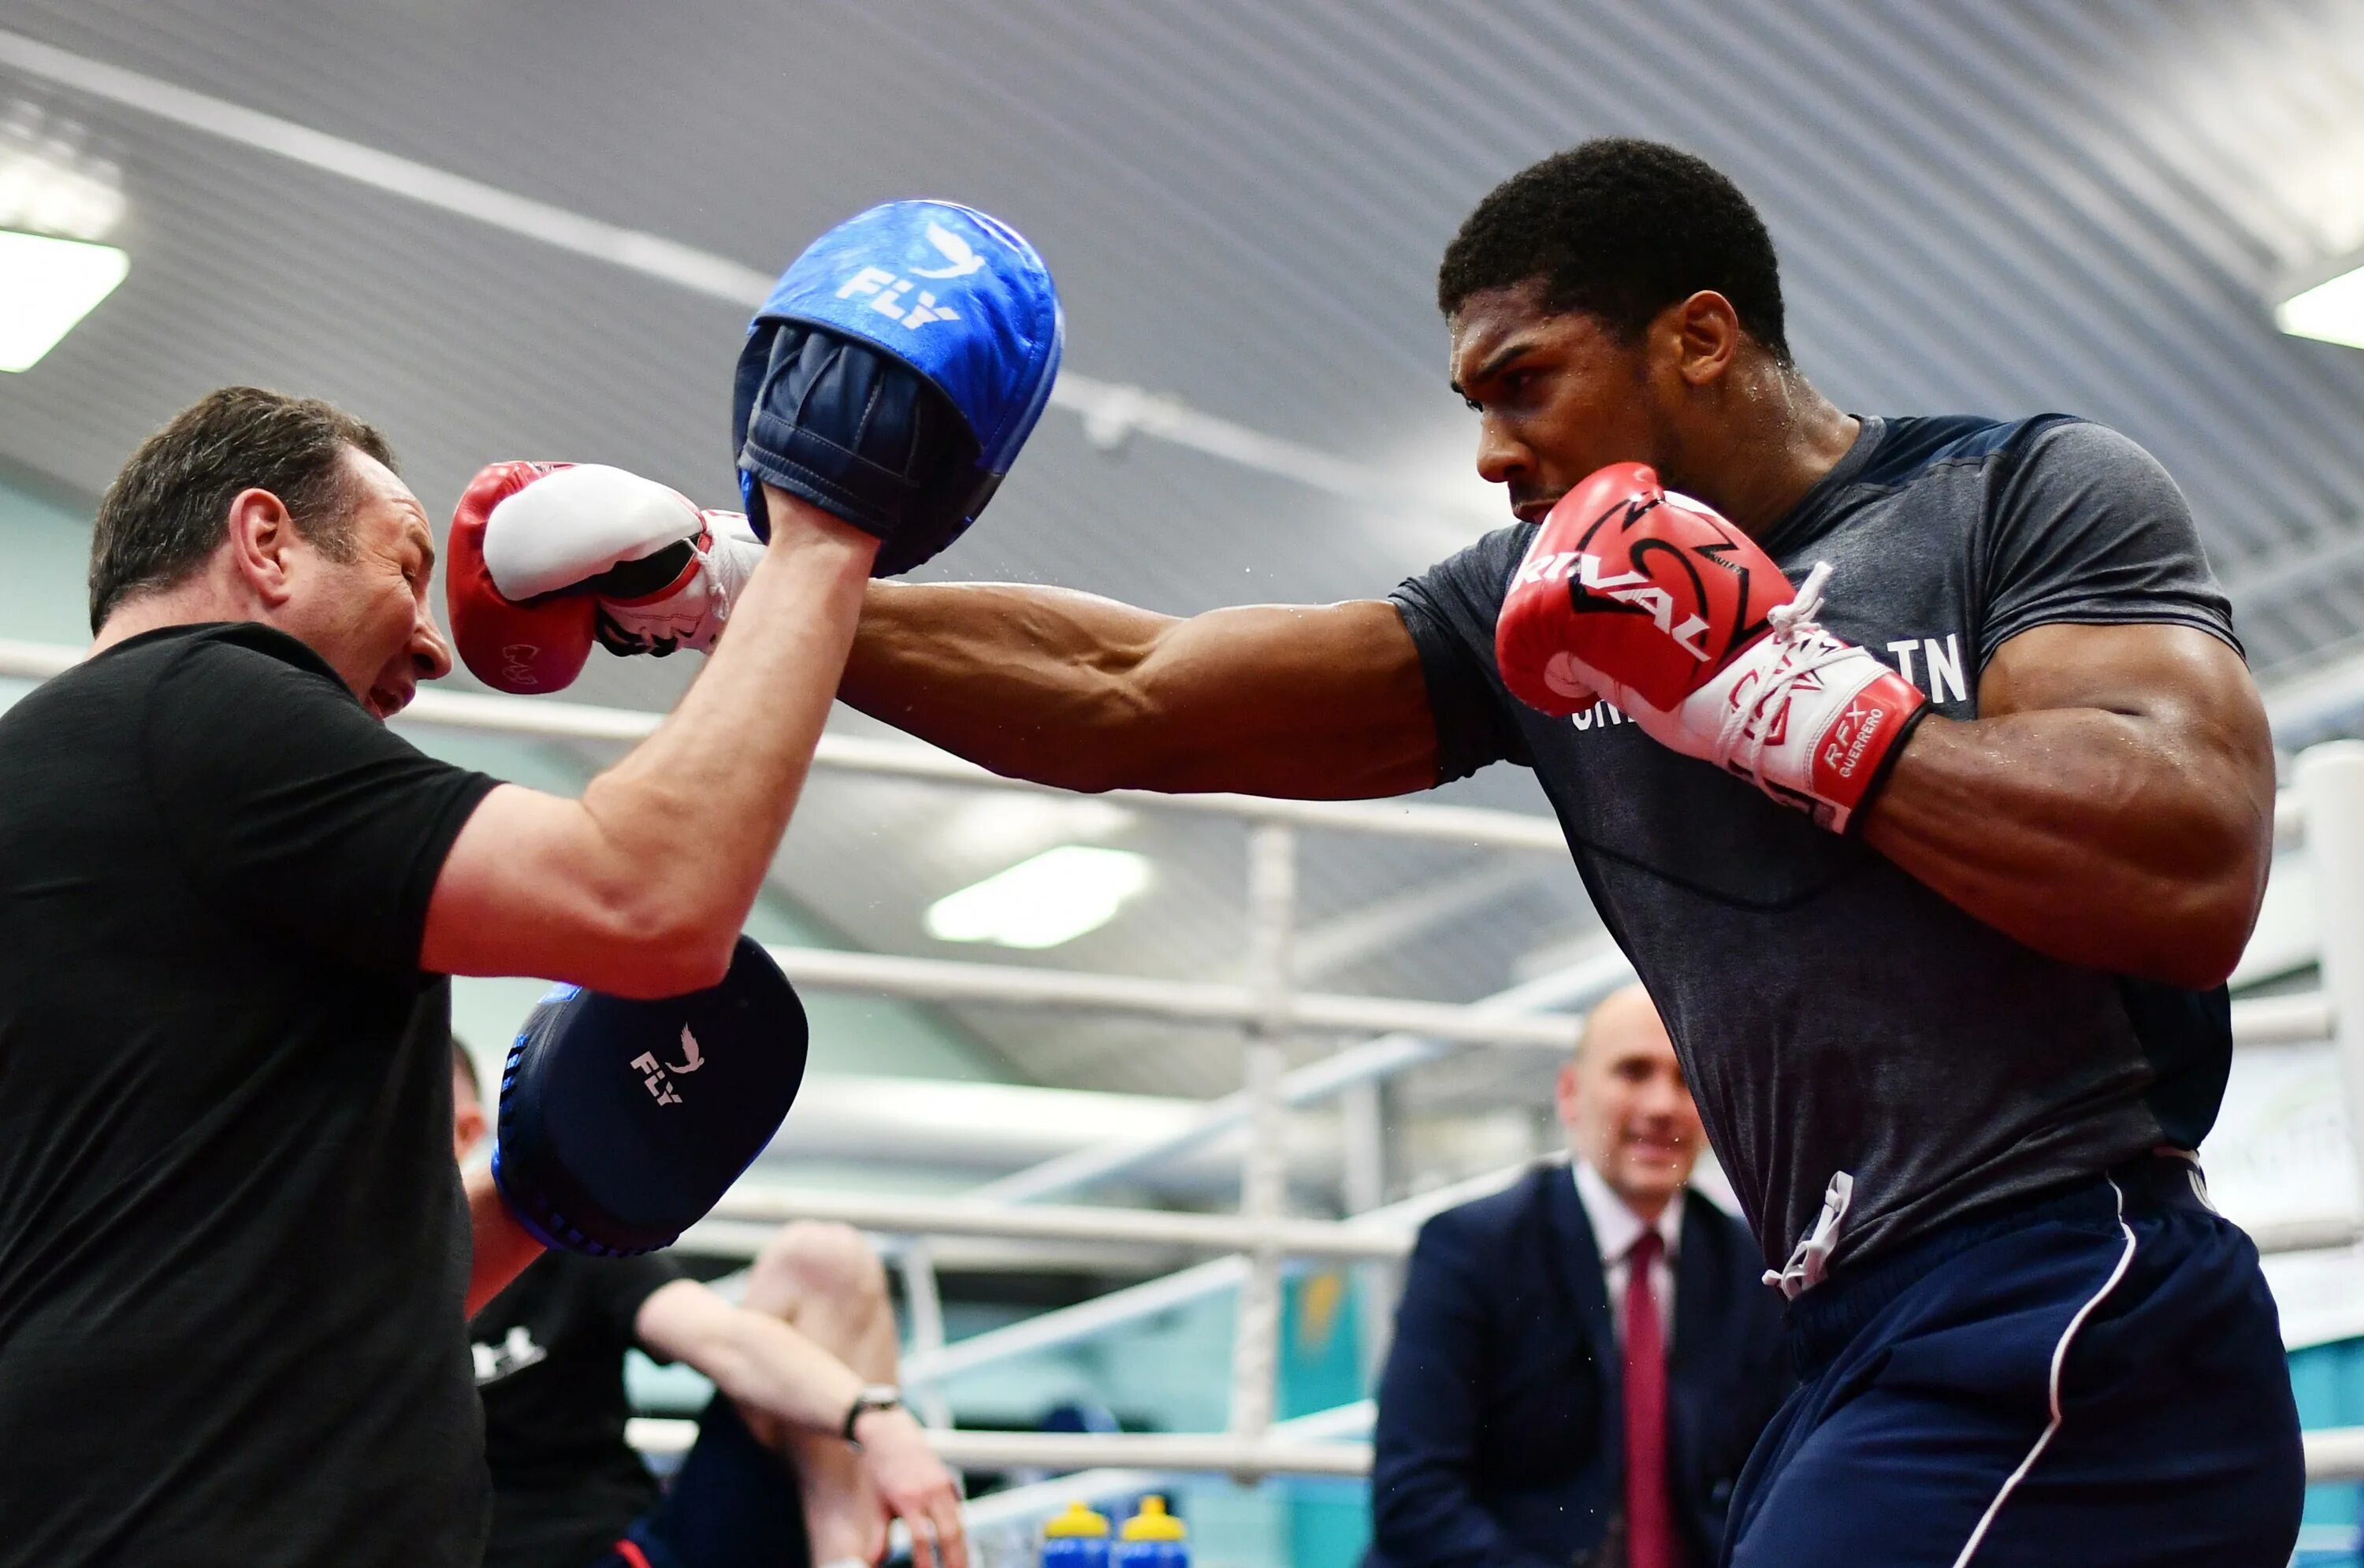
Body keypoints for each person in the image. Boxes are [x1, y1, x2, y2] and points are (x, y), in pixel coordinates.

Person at [510, 139, 2303, 1562]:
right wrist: (741, 596)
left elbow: (2186, 859)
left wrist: (1775, 700)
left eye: (1523, 384)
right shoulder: (1522, 618)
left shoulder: (2013, 495)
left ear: (1695, 335)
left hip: (2072, 1291)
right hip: (1855, 1324)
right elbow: (1141, 687)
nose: (1486, 453)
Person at [0, 197, 1037, 1567]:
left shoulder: (93, 791)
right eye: (405, 567)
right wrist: (820, 528)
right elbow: (651, 901)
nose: (433, 645)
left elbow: (258, 1290)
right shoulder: (203, 704)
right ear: (264, 543)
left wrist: (549, 1190)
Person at [450, 1043, 961, 1568]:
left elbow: (720, 1338)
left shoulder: (561, 1235)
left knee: (822, 1259)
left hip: (622, 1553)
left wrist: (876, 1418)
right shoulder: (366, 1288)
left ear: (465, 1132)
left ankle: (845, 1558)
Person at [1370, 984, 1787, 1568]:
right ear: (1570, 1095)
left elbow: (1779, 1486)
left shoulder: (1752, 1272)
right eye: (1634, 1072)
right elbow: (1413, 1499)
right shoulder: (1473, 1252)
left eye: (1686, 1078)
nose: (1662, 1104)